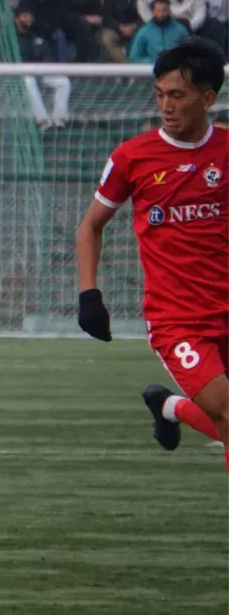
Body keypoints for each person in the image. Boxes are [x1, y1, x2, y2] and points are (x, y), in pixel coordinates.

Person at [75, 36, 228, 470]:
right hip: (177, 319)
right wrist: (90, 296)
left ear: (208, 98)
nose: (166, 105)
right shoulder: (133, 157)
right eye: (160, 95)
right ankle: (171, 407)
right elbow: (90, 225)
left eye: (177, 96)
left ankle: (169, 407)